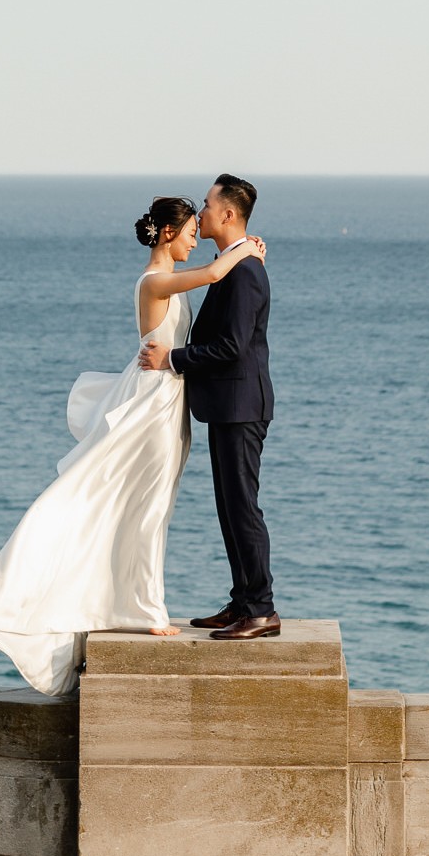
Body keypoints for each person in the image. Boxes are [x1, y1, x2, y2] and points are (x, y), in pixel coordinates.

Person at [0, 195, 266, 696]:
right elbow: (210, 276)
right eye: (188, 231)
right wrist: (246, 247)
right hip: (154, 407)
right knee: (145, 507)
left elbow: (209, 286)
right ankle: (146, 609)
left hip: (169, 402)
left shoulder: (169, 279)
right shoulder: (155, 281)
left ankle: (136, 602)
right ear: (167, 234)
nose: (194, 237)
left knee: (152, 506)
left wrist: (243, 252)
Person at [139, 173, 278, 639]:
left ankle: (260, 609)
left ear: (228, 214)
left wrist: (172, 359)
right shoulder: (233, 264)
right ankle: (242, 602)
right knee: (229, 507)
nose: (200, 212)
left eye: (207, 203)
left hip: (241, 405)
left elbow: (233, 347)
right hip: (227, 404)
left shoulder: (245, 272)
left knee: (243, 508)